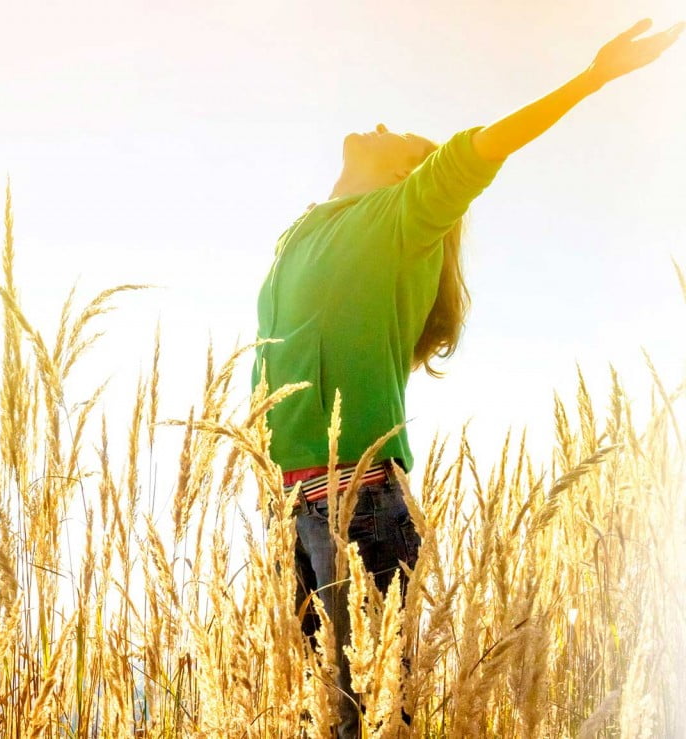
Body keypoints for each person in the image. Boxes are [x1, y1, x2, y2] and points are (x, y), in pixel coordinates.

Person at [251, 17, 682, 738]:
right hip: (290, 512)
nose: (382, 121)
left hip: (361, 510)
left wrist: (593, 75)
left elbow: (485, 148)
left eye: (402, 137)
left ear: (407, 174)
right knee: (320, 722)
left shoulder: (401, 216)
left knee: (375, 720)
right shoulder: (299, 232)